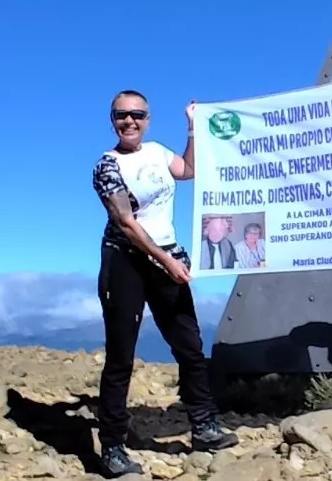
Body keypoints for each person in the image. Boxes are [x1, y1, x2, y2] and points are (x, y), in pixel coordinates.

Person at [91, 89, 238, 477]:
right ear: (112, 120)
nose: (130, 121)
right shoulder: (106, 165)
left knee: (189, 346)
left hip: (166, 258)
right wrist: (168, 260)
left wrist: (193, 128)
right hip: (126, 262)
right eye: (121, 115)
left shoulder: (156, 151)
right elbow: (126, 223)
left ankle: (204, 426)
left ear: (148, 119)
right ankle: (112, 446)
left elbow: (188, 171)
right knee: (121, 356)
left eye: (137, 114)